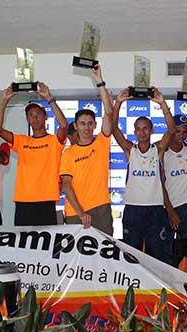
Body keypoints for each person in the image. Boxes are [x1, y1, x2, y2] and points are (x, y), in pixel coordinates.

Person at [112, 87, 176, 263]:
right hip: (133, 209)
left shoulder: (158, 149)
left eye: (146, 128)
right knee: (131, 256)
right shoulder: (129, 149)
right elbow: (114, 129)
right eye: (138, 129)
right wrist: (118, 103)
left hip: (155, 209)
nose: (142, 132)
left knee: (156, 257)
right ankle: (132, 289)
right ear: (134, 132)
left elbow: (171, 131)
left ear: (152, 130)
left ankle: (156, 289)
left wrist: (162, 104)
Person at [0, 81, 68, 226]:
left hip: (46, 201)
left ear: (45, 116)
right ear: (27, 119)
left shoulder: (54, 141)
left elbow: (64, 125)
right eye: (31, 115)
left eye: (38, 114)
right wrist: (4, 101)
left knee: (46, 247)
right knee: (24, 246)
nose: (35, 118)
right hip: (24, 201)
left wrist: (49, 98)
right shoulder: (22, 141)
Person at [59, 65, 114, 234]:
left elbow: (109, 112)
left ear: (95, 125)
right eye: (82, 123)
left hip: (101, 209)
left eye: (90, 123)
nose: (86, 127)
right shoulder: (68, 153)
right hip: (76, 213)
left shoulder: (101, 143)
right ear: (75, 126)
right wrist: (81, 213)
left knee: (105, 258)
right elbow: (66, 186)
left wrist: (100, 82)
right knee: (78, 259)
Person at [163, 114, 187, 264]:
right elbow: (158, 184)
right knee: (165, 249)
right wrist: (170, 210)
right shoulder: (161, 150)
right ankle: (165, 285)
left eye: (184, 131)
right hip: (167, 207)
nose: (181, 135)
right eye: (177, 131)